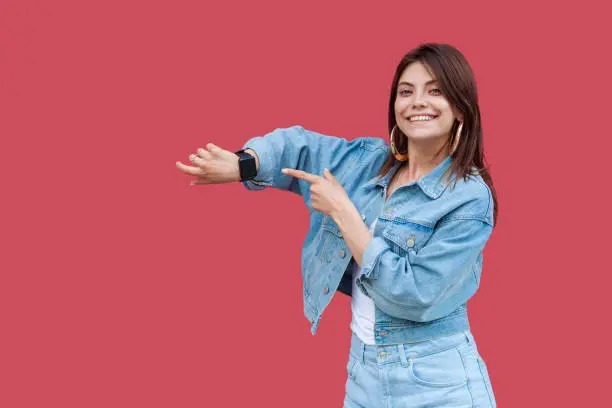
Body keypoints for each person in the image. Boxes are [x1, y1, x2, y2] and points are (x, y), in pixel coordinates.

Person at [176, 43, 498, 407]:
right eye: (406, 91)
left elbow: (414, 294)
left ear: (460, 107)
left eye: (435, 90)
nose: (418, 101)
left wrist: (343, 212)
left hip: (437, 382)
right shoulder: (369, 162)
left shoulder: (469, 198)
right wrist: (243, 165)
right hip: (363, 375)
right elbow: (301, 146)